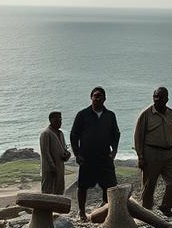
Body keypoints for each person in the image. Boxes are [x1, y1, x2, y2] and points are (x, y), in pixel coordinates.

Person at [70, 86, 120, 220]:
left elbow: (116, 134)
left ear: (105, 98)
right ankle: (81, 212)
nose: (97, 98)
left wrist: (114, 151)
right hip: (87, 157)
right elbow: (74, 135)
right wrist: (77, 154)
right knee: (83, 185)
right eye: (95, 96)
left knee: (109, 185)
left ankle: (106, 211)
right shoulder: (82, 114)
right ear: (91, 97)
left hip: (104, 155)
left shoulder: (110, 115)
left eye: (100, 96)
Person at [134, 86, 172, 216]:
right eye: (155, 96)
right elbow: (138, 136)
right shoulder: (146, 114)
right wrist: (140, 156)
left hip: (169, 155)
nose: (157, 99)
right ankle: (146, 214)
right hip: (151, 154)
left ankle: (166, 208)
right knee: (149, 187)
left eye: (161, 97)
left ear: (167, 99)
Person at [40, 111, 71, 194]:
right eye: (56, 120)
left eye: (60, 120)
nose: (59, 122)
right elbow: (45, 152)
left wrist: (67, 154)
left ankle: (58, 207)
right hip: (50, 169)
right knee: (48, 190)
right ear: (51, 120)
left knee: (59, 190)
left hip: (60, 167)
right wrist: (52, 166)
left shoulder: (61, 133)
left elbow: (63, 149)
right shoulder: (46, 133)